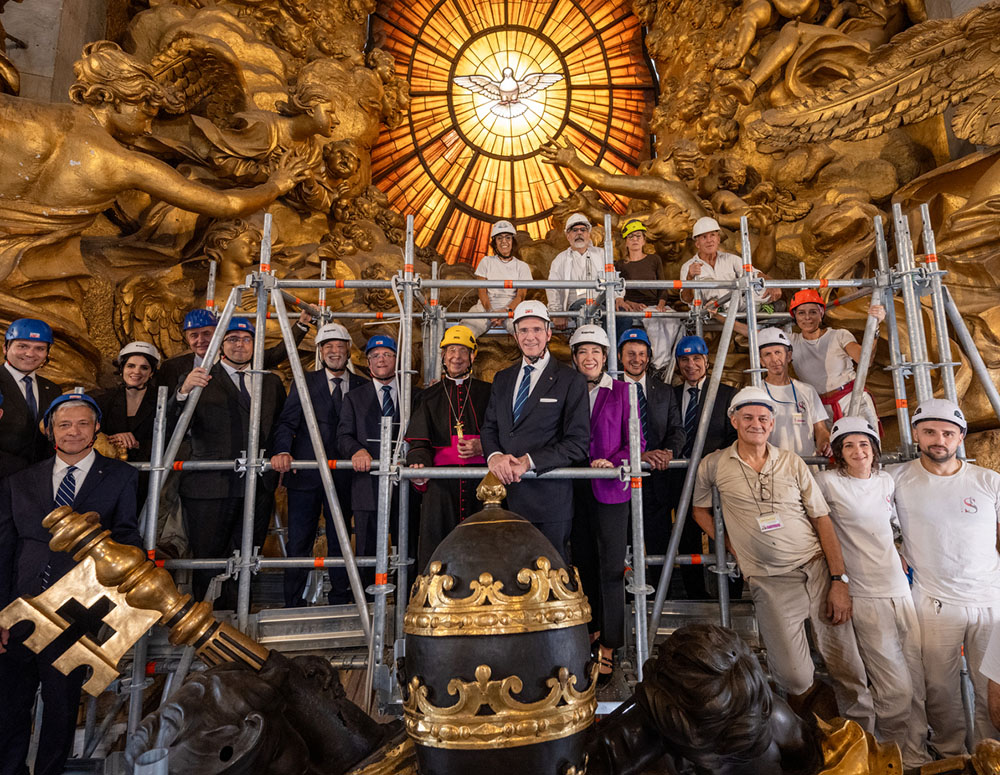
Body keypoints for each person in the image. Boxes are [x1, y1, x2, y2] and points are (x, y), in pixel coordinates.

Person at [692, 386, 874, 727]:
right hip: (769, 580)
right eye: (747, 417)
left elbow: (822, 520)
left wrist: (839, 580)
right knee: (793, 676)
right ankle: (811, 738)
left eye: (763, 418)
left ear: (772, 424)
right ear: (734, 420)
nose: (756, 424)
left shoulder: (791, 462)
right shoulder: (714, 465)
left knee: (848, 665)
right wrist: (730, 544)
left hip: (816, 570)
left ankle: (864, 742)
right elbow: (699, 510)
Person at [0, 392, 141, 775]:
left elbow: (129, 538)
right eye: (64, 424)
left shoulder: (121, 476)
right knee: (10, 705)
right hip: (21, 608)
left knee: (62, 708)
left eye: (82, 424)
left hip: (78, 611)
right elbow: (5, 549)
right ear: (50, 431)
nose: (73, 432)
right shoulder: (20, 480)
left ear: (96, 428)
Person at [816, 416, 928, 768]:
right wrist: (839, 582)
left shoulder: (885, 480)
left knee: (918, 685)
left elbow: (892, 524)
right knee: (894, 690)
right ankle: (885, 758)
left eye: (864, 443)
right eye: (848, 445)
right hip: (865, 595)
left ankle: (916, 756)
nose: (857, 450)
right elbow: (821, 528)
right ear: (837, 452)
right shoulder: (828, 483)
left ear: (875, 448)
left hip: (900, 589)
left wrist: (899, 549)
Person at [890, 398, 1000, 755]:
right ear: (916, 433)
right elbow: (867, 518)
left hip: (990, 599)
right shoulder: (898, 479)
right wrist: (894, 548)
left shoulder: (987, 481)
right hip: (934, 600)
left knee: (992, 687)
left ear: (961, 436)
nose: (940, 439)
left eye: (948, 433)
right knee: (939, 687)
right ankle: (952, 753)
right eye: (931, 432)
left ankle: (990, 753)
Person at [174, 318, 286, 605]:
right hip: (210, 486)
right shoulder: (200, 378)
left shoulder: (271, 382)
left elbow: (280, 427)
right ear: (221, 345)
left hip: (258, 485)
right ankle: (208, 618)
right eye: (232, 339)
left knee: (248, 554)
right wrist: (183, 392)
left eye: (246, 339)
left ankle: (240, 616)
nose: (240, 345)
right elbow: (173, 425)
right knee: (209, 557)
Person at [481, 300, 590, 561]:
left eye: (537, 330)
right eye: (524, 331)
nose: (530, 337)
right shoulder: (503, 379)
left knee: (550, 576)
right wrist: (494, 456)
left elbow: (577, 442)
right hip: (504, 499)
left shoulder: (570, 380)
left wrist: (528, 462)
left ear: (549, 333)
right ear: (515, 335)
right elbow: (490, 428)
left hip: (549, 501)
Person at [270, 322, 367, 607]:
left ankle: (340, 597)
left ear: (349, 350)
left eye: (340, 347)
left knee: (340, 539)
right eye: (329, 347)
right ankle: (293, 601)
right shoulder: (304, 381)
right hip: (306, 473)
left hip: (345, 476)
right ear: (320, 351)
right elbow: (287, 421)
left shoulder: (361, 385)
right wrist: (284, 451)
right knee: (300, 538)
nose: (335, 352)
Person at [569, 325, 644, 684]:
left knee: (612, 568)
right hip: (573, 490)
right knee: (581, 564)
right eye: (583, 352)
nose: (589, 358)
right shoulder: (567, 390)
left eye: (595, 352)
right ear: (574, 358)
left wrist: (613, 462)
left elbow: (637, 441)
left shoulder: (624, 391)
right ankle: (589, 634)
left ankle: (611, 646)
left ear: (605, 356)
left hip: (611, 489)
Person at [405, 325, 492, 570]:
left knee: (484, 546)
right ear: (443, 355)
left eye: (463, 351)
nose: (456, 357)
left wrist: (482, 446)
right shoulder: (429, 396)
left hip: (482, 482)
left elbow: (501, 434)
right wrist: (418, 464)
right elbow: (419, 442)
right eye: (451, 350)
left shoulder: (489, 392)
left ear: (472, 356)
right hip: (441, 487)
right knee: (437, 547)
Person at [670, 335, 739, 599]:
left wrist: (722, 454)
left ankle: (731, 593)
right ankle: (695, 592)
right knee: (686, 534)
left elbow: (735, 435)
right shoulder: (672, 395)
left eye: (696, 358)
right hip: (681, 477)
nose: (691, 365)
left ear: (706, 361)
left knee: (723, 530)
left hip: (717, 478)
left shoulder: (725, 394)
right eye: (684, 359)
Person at [618, 328, 685, 588]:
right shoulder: (610, 389)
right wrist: (639, 455)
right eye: (631, 354)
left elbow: (677, 430)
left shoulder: (664, 391)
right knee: (624, 545)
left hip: (657, 483)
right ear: (620, 357)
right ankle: (627, 601)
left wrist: (670, 452)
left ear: (649, 357)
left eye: (642, 354)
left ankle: (661, 599)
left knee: (659, 543)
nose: (637, 359)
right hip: (622, 482)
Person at [336, 334, 402, 593]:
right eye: (375, 356)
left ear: (396, 359)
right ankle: (366, 602)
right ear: (368, 362)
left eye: (387, 354)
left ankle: (404, 601)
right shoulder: (354, 397)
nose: (381, 360)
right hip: (367, 484)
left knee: (405, 540)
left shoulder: (414, 394)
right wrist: (357, 450)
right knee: (366, 545)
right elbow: (343, 435)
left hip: (403, 483)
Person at [786, 289, 882, 431]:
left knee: (864, 446)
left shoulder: (839, 335)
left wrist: (875, 327)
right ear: (794, 316)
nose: (807, 317)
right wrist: (739, 321)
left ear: (821, 313)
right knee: (834, 451)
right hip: (821, 408)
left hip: (851, 399)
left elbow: (864, 361)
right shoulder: (792, 341)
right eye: (801, 313)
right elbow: (757, 336)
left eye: (813, 312)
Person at [160, 307, 311, 394]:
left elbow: (278, 353)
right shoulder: (172, 368)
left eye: (207, 334)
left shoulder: (242, 358)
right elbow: (167, 409)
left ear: (219, 334)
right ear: (186, 338)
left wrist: (301, 324)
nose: (200, 341)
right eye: (194, 335)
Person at [95, 341, 161, 508]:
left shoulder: (162, 402)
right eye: (131, 366)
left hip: (147, 480)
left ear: (152, 372)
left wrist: (137, 444)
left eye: (144, 368)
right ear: (122, 369)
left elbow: (170, 438)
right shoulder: (104, 400)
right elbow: (94, 435)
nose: (136, 372)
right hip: (108, 477)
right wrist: (113, 440)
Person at [615, 219, 683, 375]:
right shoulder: (619, 265)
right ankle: (658, 365)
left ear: (644, 240)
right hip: (634, 306)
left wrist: (661, 303)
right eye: (631, 237)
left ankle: (664, 362)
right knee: (653, 321)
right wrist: (630, 303)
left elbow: (662, 284)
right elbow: (618, 292)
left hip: (655, 303)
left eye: (638, 236)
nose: (635, 240)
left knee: (672, 318)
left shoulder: (654, 259)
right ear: (625, 242)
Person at [757, 327, 830, 457]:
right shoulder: (757, 393)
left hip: (806, 467)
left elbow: (820, 429)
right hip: (773, 468)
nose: (774, 359)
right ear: (761, 361)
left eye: (778, 352)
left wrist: (825, 442)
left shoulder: (807, 391)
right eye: (767, 354)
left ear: (789, 356)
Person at [679, 216, 781, 308]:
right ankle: (761, 308)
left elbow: (754, 274)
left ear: (718, 239)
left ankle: (768, 306)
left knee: (759, 286)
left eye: (712, 235)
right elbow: (686, 299)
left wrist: (770, 283)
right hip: (710, 310)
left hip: (737, 306)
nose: (709, 240)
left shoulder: (731, 259)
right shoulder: (688, 266)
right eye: (704, 237)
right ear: (697, 243)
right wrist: (689, 277)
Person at [0, 318, 60, 473]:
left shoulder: (52, 390)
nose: (30, 354)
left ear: (47, 353)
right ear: (5, 348)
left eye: (39, 348)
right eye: (22, 346)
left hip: (39, 481)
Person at [546, 213, 621, 330]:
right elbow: (552, 288)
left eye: (583, 230)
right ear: (568, 236)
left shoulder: (602, 254)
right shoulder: (560, 259)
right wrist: (557, 313)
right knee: (587, 308)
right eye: (575, 230)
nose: (579, 233)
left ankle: (612, 347)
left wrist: (618, 298)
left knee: (623, 316)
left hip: (603, 303)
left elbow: (614, 279)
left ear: (588, 234)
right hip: (576, 305)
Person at [461, 220, 532, 336]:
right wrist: (491, 313)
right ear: (495, 243)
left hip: (512, 309)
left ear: (513, 241)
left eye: (508, 237)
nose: (504, 241)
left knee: (527, 335)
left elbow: (521, 295)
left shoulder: (522, 266)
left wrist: (506, 312)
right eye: (499, 238)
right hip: (485, 307)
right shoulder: (486, 262)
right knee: (463, 333)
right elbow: (482, 291)